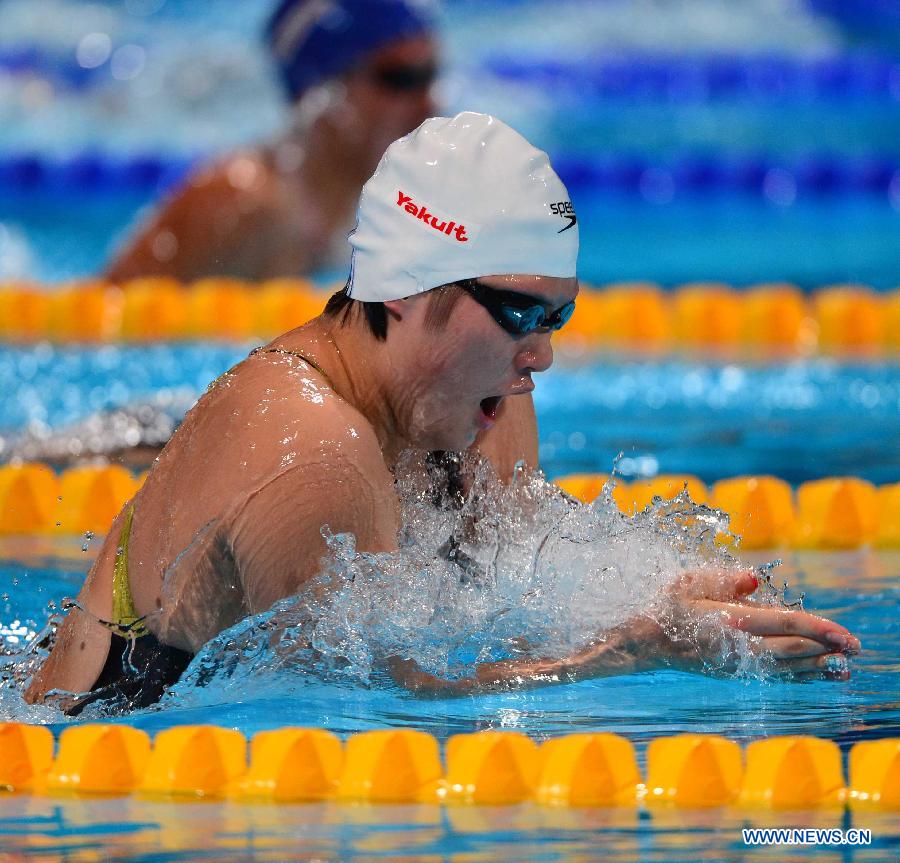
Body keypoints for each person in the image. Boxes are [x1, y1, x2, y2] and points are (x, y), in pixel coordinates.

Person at [26, 113, 859, 714]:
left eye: (556, 318)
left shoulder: (484, 403)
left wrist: (665, 604)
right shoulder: (315, 456)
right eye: (519, 315)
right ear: (400, 291)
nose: (541, 355)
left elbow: (512, 594)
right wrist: (629, 650)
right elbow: (380, 705)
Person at [105, 0, 439, 283]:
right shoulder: (247, 200)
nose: (429, 104)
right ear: (322, 92)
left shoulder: (358, 201)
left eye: (431, 75)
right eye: (401, 79)